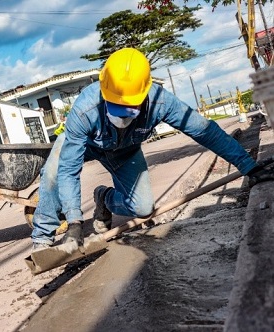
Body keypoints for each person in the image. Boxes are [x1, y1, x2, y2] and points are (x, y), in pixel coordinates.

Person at [31, 47, 273, 251]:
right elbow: (69, 170)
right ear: (104, 90)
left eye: (130, 108)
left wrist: (247, 166)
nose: (122, 115)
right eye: (116, 105)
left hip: (124, 151)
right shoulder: (85, 109)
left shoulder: (161, 102)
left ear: (145, 92)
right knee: (53, 171)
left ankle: (103, 198)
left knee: (143, 208)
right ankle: (42, 238)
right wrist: (74, 222)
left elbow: (205, 131)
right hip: (86, 146)